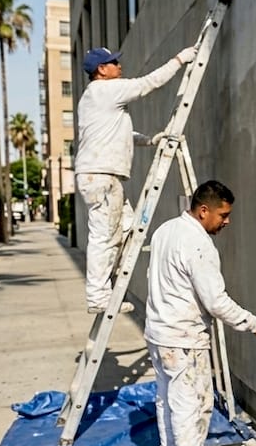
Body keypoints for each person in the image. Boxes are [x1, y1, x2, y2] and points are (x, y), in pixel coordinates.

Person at [144, 180, 256, 446]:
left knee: (168, 400)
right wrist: (255, 323)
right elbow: (216, 302)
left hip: (159, 334)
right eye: (223, 215)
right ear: (204, 210)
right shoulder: (199, 244)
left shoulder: (166, 230)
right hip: (183, 337)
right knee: (194, 405)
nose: (227, 221)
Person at [76, 44, 198, 313]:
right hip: (101, 176)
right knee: (103, 236)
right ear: (101, 70)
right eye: (114, 63)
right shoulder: (105, 90)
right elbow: (148, 83)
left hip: (102, 176)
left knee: (127, 225)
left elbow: (120, 134)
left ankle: (113, 281)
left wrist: (149, 140)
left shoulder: (93, 98)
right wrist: (179, 59)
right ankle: (98, 297)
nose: (120, 66)